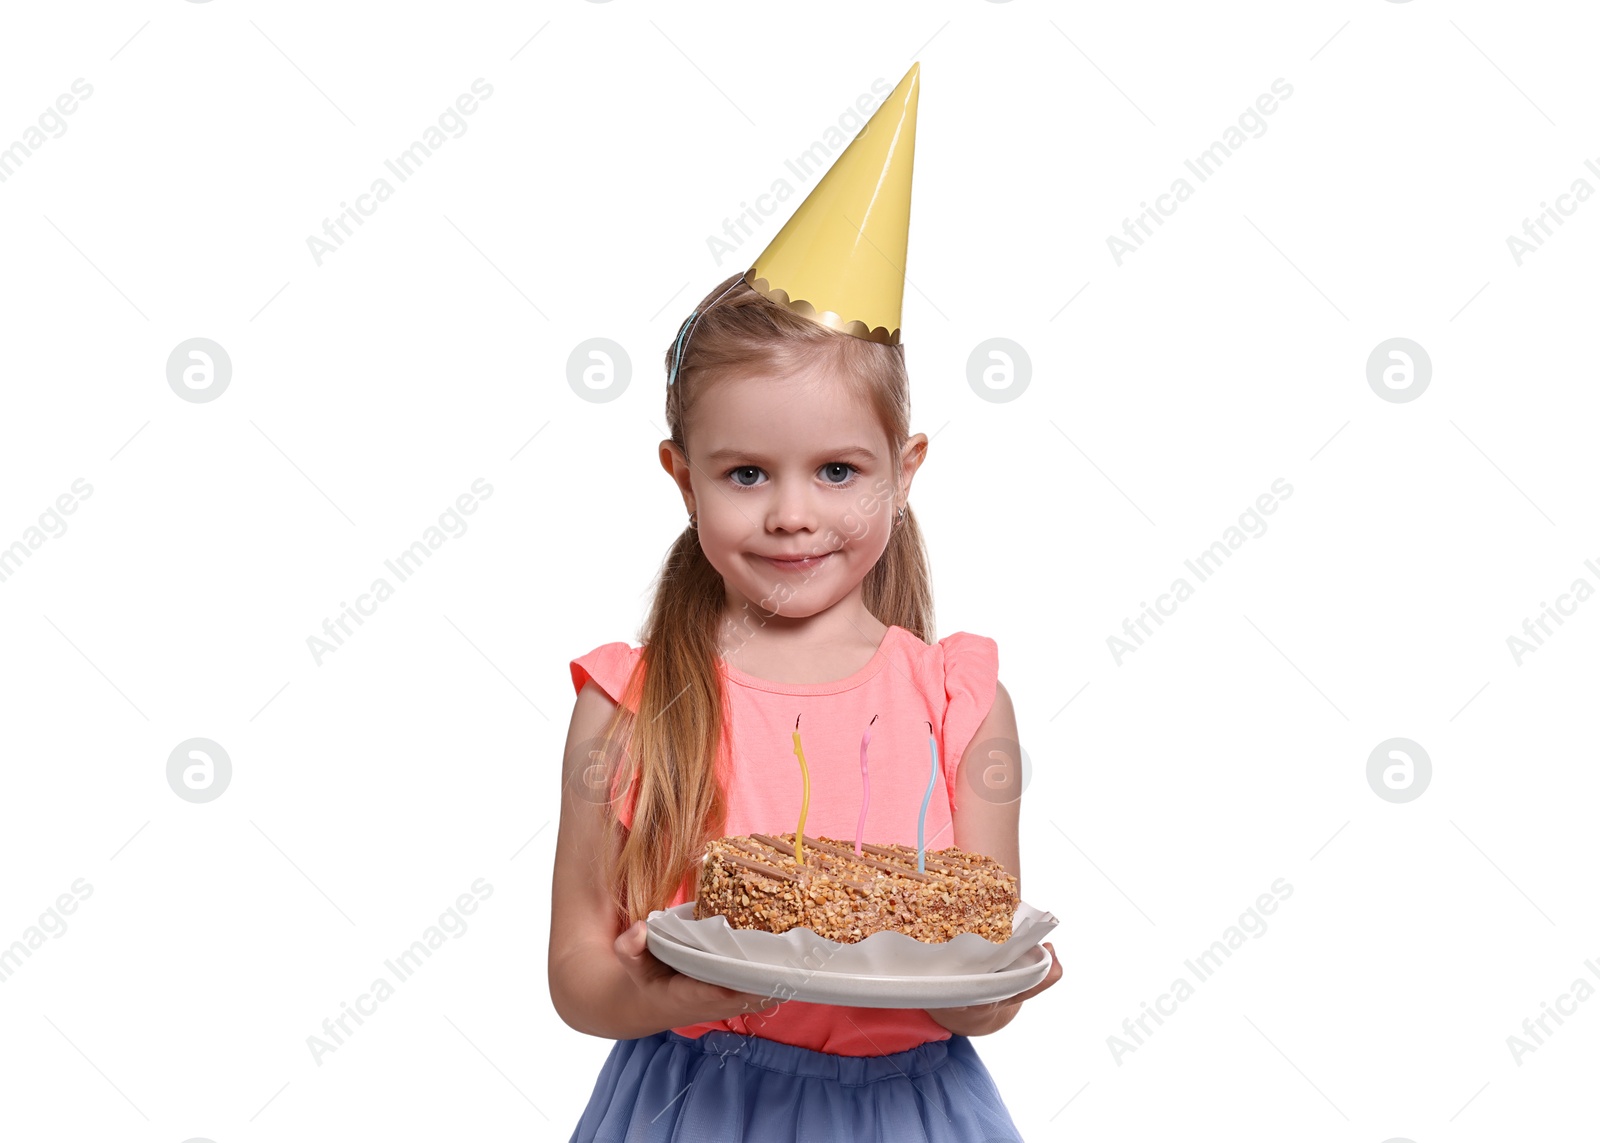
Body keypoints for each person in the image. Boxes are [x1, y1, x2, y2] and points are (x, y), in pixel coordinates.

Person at [549, 63, 1060, 1142]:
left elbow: (975, 957)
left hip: (911, 1110)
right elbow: (576, 976)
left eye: (835, 471)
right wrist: (663, 998)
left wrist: (996, 990)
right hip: (689, 1106)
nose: (792, 516)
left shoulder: (960, 705)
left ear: (903, 468)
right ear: (681, 476)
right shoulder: (628, 704)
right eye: (745, 475)